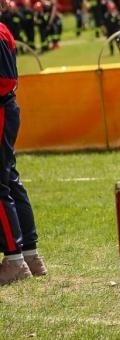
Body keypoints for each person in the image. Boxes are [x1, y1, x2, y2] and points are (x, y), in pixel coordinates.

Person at [0, 20, 47, 284]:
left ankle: (15, 260)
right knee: (10, 180)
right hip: (6, 111)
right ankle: (29, 256)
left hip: (2, 111)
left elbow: (5, 80)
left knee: (2, 184)